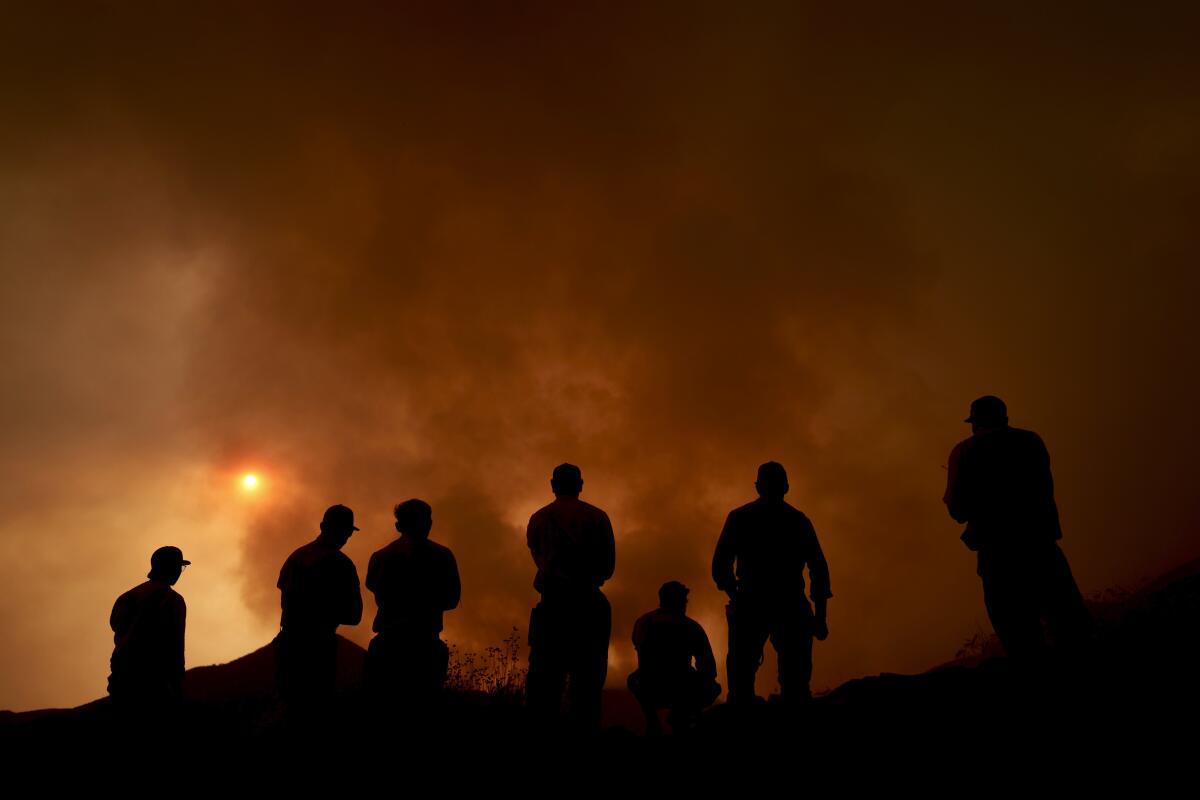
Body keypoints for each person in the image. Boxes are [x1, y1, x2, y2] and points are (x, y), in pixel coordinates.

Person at [944, 395, 1091, 658]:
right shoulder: (1030, 441)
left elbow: (956, 509)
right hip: (1041, 547)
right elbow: (1044, 488)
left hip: (998, 558)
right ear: (1005, 417)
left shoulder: (963, 453)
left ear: (975, 423)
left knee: (1021, 640)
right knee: (1071, 628)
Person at [713, 462, 831, 704]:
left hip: (752, 602)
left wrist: (735, 595)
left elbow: (720, 565)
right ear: (786, 487)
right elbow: (818, 569)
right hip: (789, 604)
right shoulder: (798, 521)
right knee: (796, 684)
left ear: (758, 487)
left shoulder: (739, 518)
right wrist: (820, 618)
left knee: (741, 678)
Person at [525, 463, 616, 730]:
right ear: (580, 485)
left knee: (545, 679)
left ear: (553, 485)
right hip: (589, 604)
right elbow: (608, 566)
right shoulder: (598, 517)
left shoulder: (538, 518)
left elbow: (536, 554)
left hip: (552, 605)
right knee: (588, 680)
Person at [365, 499, 461, 707]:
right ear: (427, 523)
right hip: (424, 646)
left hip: (387, 645)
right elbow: (452, 599)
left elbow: (373, 586)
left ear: (399, 526)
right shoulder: (442, 556)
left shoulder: (380, 557)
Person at [274, 504, 363, 711]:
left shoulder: (296, 557)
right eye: (346, 531)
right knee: (315, 709)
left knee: (291, 709)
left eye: (348, 532)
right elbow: (354, 615)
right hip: (318, 647)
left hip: (289, 644)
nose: (346, 537)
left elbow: (286, 600)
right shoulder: (341, 564)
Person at [627, 581, 720, 735]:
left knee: (633, 679)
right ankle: (681, 718)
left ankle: (653, 721)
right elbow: (708, 667)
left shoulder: (642, 622)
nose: (686, 604)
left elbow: (639, 647)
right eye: (684, 600)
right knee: (713, 687)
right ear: (681, 602)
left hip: (648, 686)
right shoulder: (691, 626)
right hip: (681, 687)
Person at [108, 546, 190, 712]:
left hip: (121, 678)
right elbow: (175, 648)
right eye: (177, 567)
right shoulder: (173, 601)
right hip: (154, 683)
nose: (179, 572)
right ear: (168, 568)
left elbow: (116, 626)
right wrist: (177, 686)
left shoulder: (128, 596)